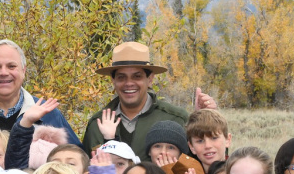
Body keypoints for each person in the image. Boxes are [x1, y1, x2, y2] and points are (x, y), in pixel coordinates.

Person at [82, 42, 215, 158]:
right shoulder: (97, 124)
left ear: (150, 79)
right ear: (113, 81)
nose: (129, 83)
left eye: (137, 76)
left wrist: (205, 124)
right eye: (121, 77)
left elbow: (204, 165)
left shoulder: (177, 119)